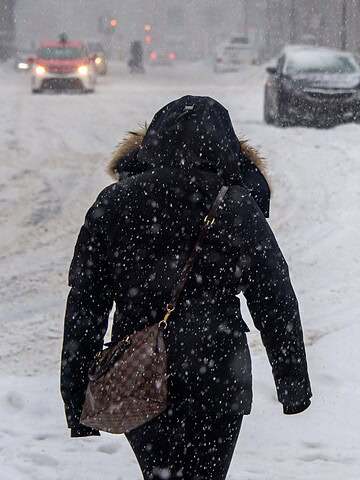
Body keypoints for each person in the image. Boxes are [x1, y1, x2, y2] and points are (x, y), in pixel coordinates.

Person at [61, 95, 312, 479]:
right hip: (218, 373)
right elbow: (275, 298)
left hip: (139, 373)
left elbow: (86, 306)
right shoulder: (235, 206)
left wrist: (77, 395)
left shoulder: (114, 204)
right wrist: (292, 384)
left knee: (159, 473)